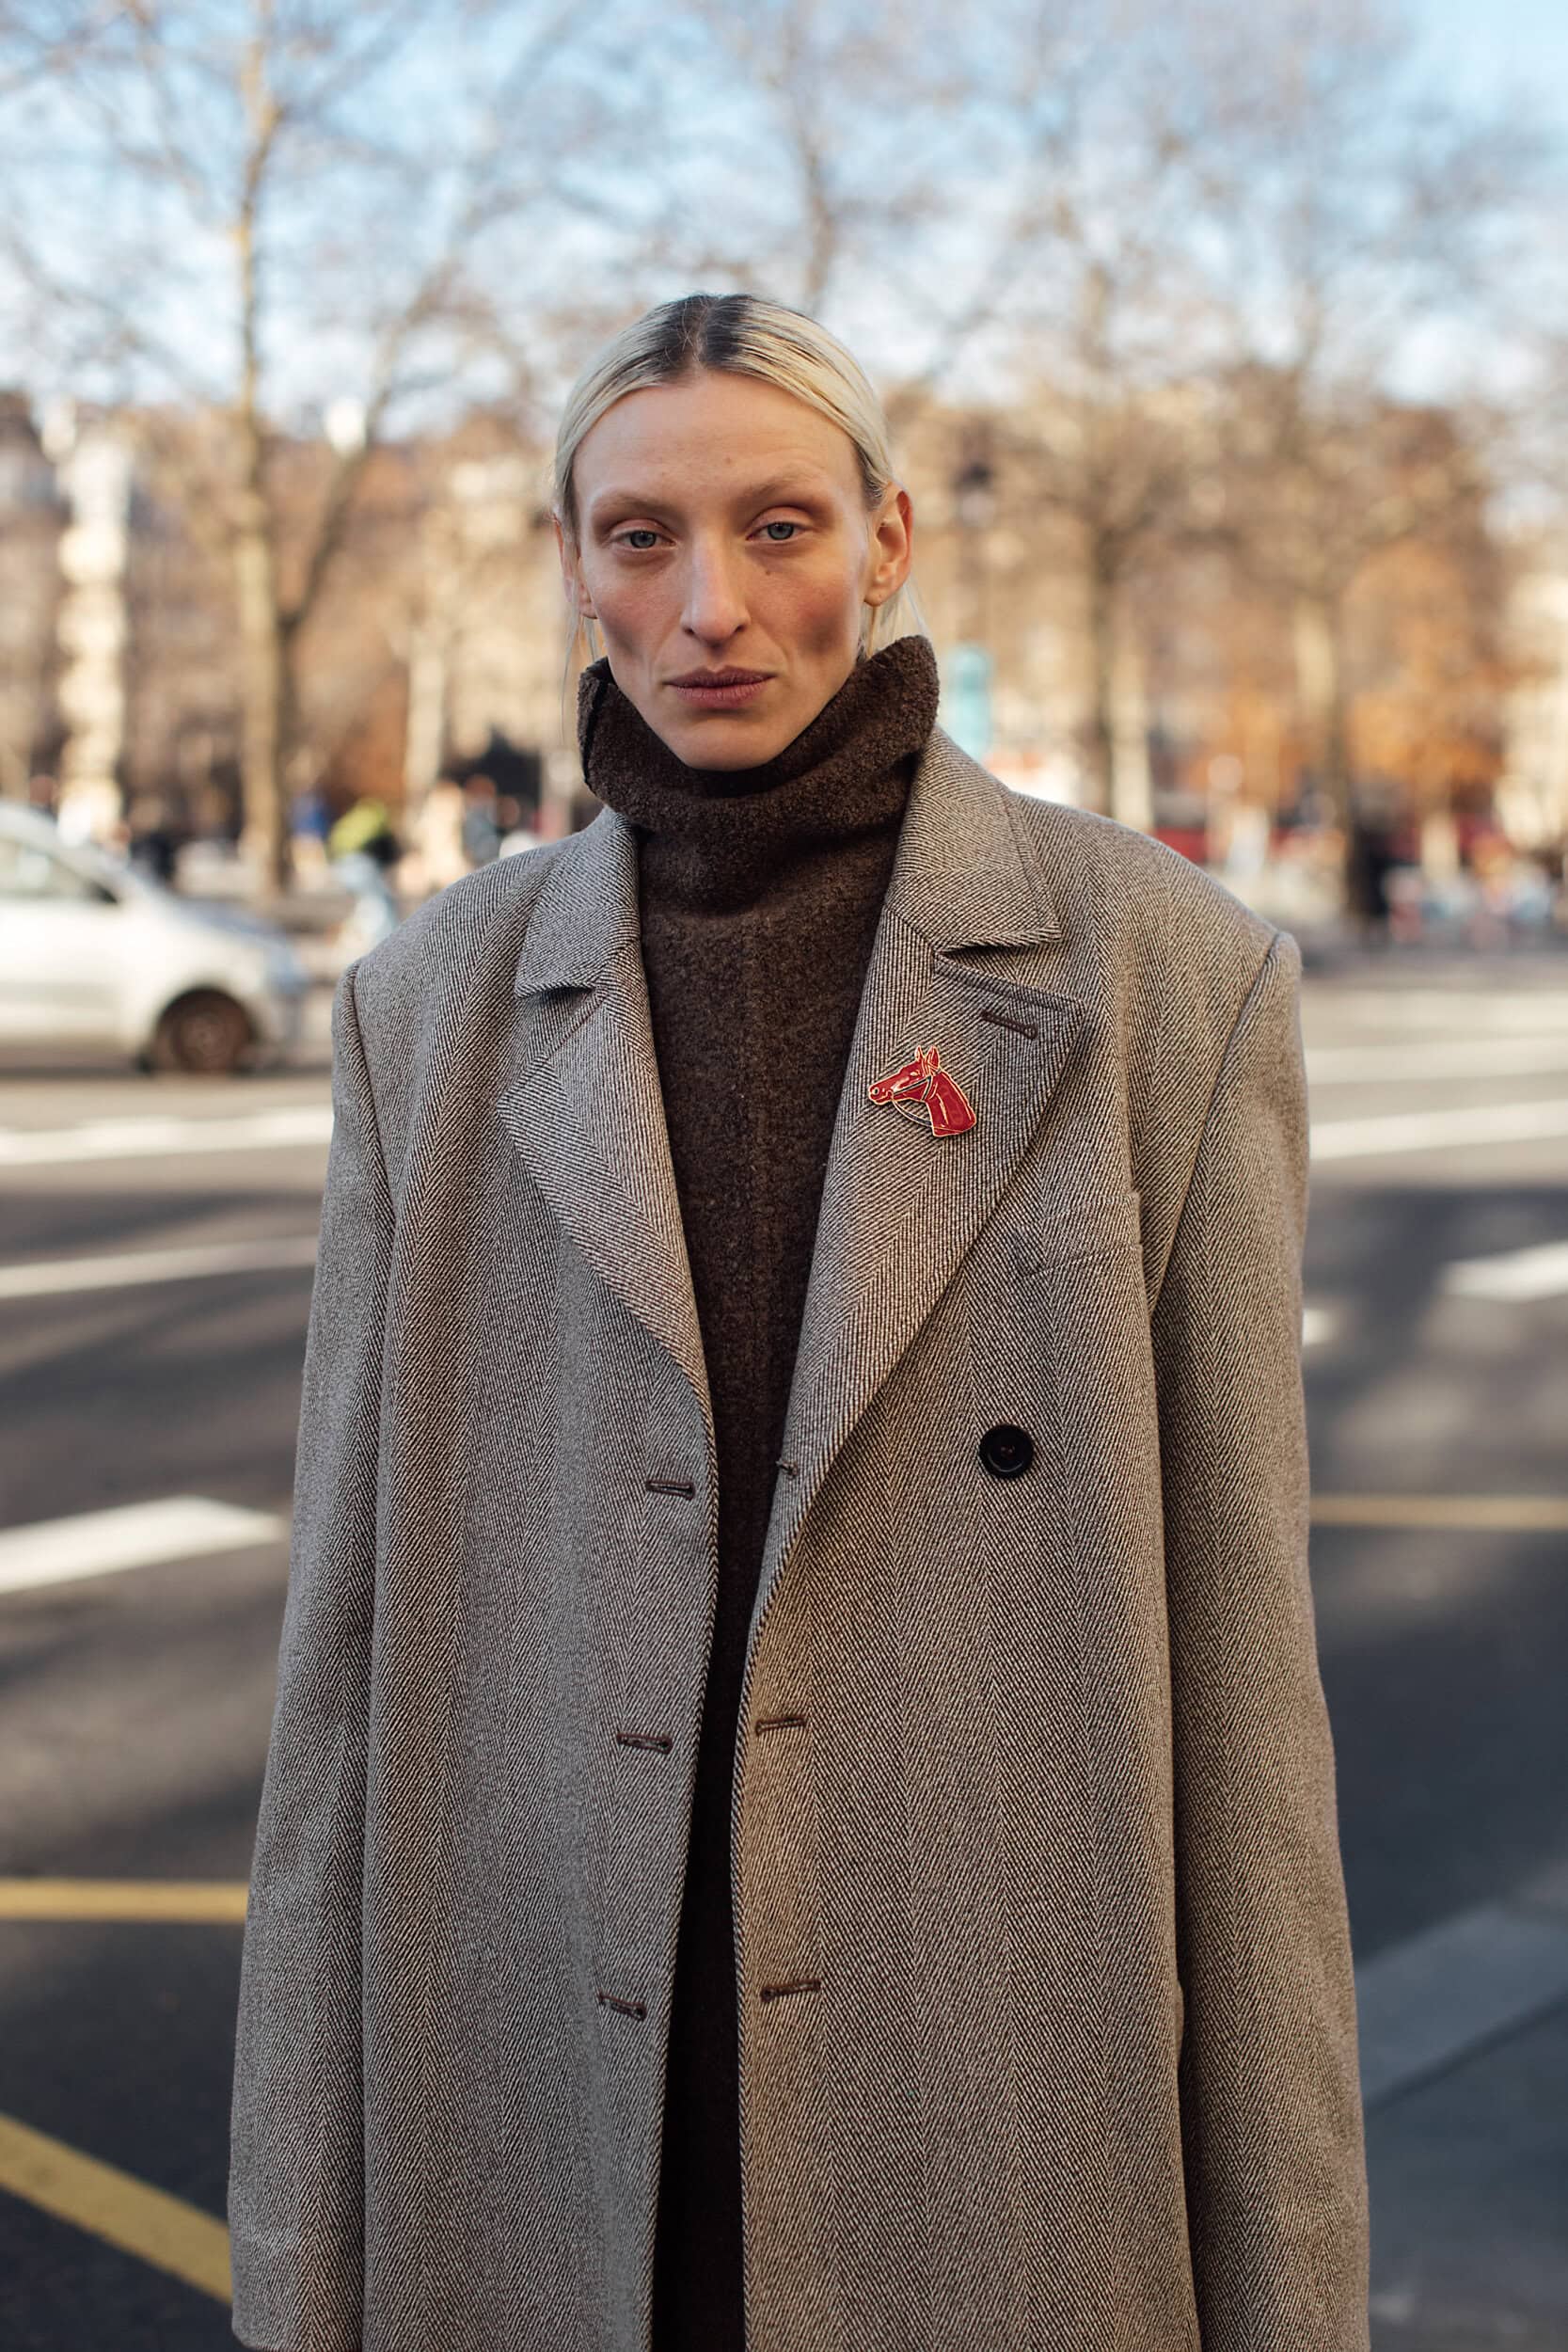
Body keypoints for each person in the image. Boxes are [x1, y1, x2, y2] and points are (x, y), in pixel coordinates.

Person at [229, 291, 1369, 2352]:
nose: (709, 607)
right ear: (572, 562)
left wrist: (1292, 2296)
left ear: (890, 538)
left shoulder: (1163, 979)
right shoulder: (434, 1009)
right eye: (641, 537)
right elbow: (342, 1691)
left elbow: (1251, 1721)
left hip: (994, 2109)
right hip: (545, 2119)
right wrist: (303, 2266)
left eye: (778, 526)